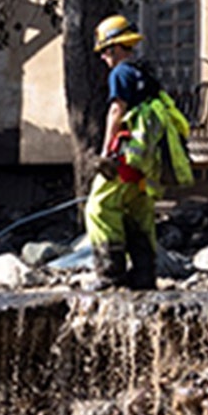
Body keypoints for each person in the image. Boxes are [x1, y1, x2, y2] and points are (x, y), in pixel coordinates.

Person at [85, 15, 163, 290]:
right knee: (138, 212)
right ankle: (144, 275)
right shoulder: (146, 75)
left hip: (124, 157)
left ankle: (110, 274)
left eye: (106, 51)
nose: (103, 57)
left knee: (99, 208)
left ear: (117, 47)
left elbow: (116, 110)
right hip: (146, 162)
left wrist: (106, 151)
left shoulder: (120, 74)